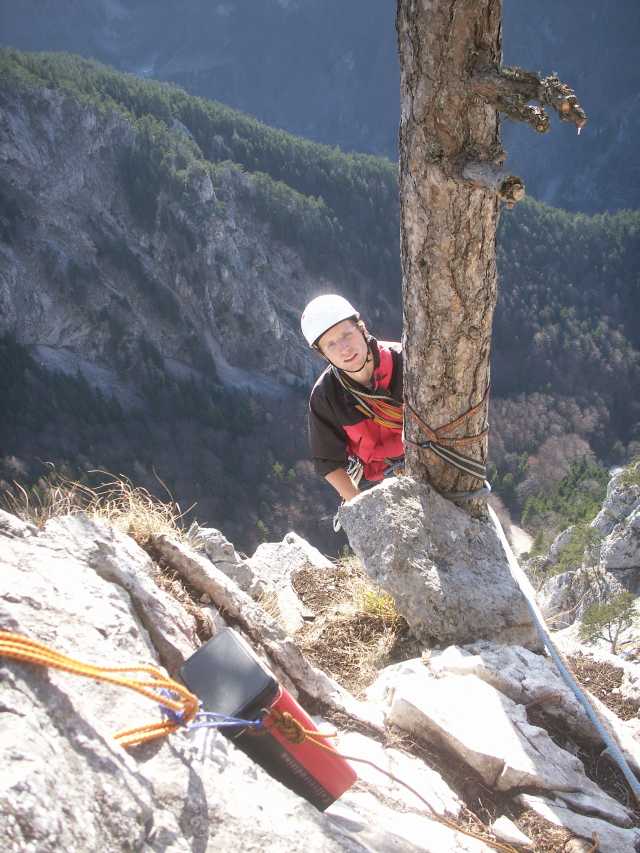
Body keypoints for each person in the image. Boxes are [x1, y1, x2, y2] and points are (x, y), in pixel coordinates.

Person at [301, 294, 404, 503]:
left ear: (361, 328)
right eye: (331, 345)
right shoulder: (326, 397)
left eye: (347, 335)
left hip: (428, 460)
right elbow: (328, 461)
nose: (344, 348)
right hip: (375, 481)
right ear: (323, 354)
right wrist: (359, 505)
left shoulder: (406, 362)